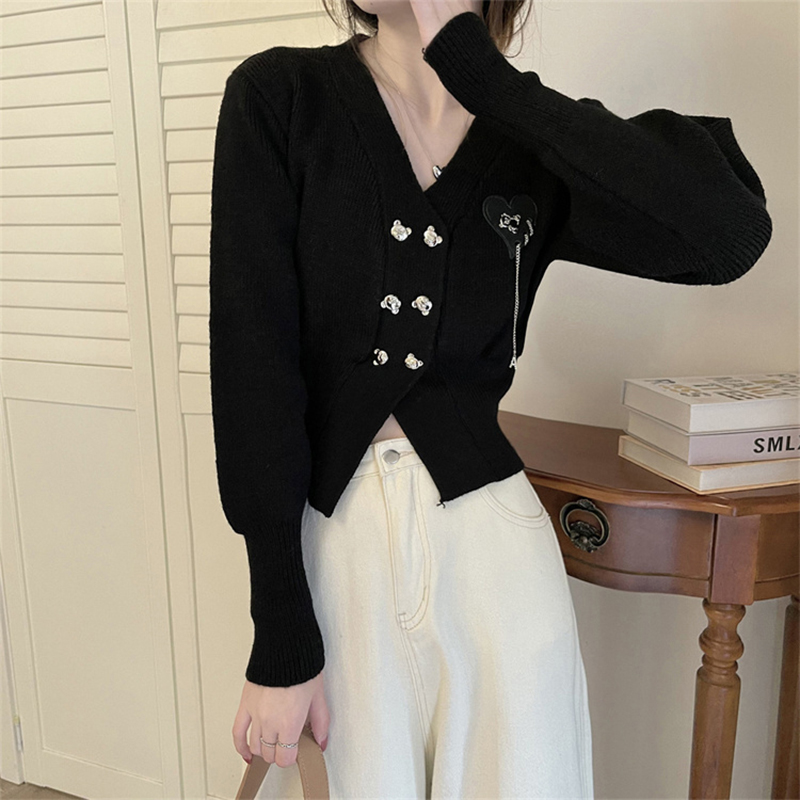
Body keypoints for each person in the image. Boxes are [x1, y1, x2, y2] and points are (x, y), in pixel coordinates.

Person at [208, 0, 772, 797]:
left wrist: (490, 83)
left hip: (496, 559)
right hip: (338, 556)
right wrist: (282, 640)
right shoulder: (281, 98)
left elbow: (729, 234)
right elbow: (252, 368)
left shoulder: (530, 140)